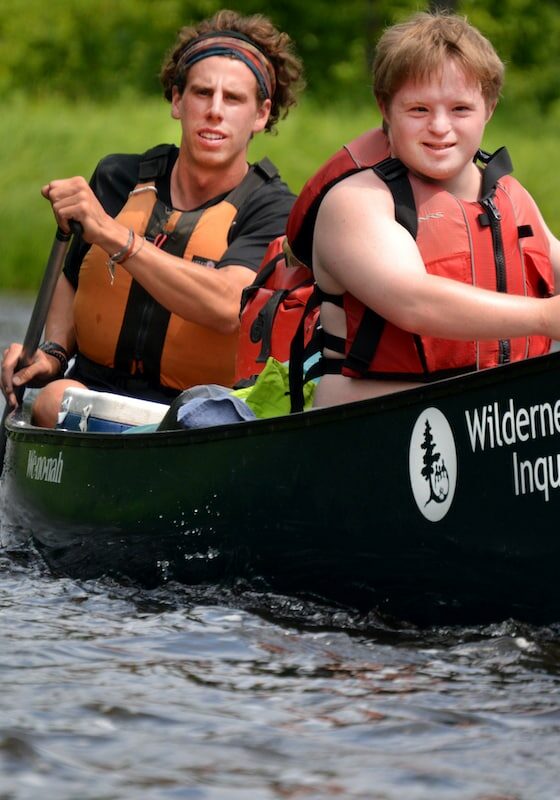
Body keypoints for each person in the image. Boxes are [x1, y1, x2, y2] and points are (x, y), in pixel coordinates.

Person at [1, 9, 303, 425]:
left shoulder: (273, 207)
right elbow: (74, 278)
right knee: (54, 399)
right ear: (178, 101)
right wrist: (52, 352)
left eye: (232, 98)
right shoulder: (117, 177)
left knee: (201, 421)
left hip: (198, 413)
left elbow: (227, 303)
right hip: (92, 393)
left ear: (261, 114)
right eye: (201, 93)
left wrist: (116, 238)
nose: (215, 110)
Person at [286, 11, 560, 408]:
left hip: (498, 424)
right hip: (372, 429)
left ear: (490, 108)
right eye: (419, 110)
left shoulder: (511, 197)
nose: (440, 127)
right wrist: (546, 318)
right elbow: (415, 302)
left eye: (461, 109)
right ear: (385, 107)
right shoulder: (356, 202)